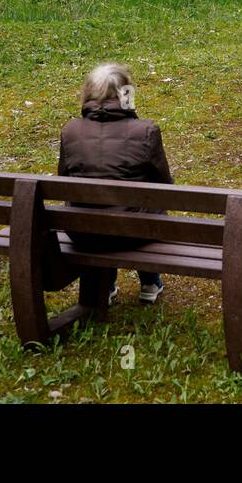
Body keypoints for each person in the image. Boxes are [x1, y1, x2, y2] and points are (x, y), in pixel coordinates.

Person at [57, 62, 171, 305]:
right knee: (148, 208)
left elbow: (64, 180)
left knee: (96, 210)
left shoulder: (70, 132)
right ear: (126, 94)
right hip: (131, 233)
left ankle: (105, 285)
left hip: (82, 233)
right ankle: (150, 281)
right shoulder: (146, 131)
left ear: (87, 93)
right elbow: (165, 186)